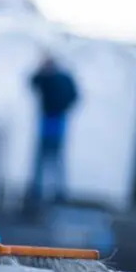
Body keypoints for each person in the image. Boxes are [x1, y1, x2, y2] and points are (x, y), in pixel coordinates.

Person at [28, 54, 79, 210]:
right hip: (51, 121)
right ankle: (46, 191)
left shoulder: (57, 79)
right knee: (49, 160)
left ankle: (52, 192)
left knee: (50, 159)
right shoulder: (53, 78)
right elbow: (33, 82)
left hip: (53, 121)